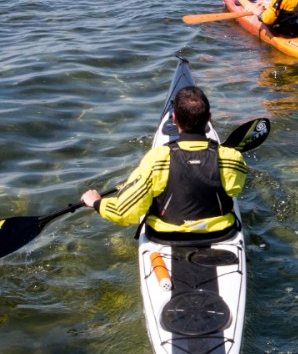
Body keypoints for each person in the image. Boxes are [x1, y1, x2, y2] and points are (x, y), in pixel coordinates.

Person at [81, 85, 247, 244]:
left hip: (166, 238)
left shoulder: (157, 159)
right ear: (209, 118)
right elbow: (235, 189)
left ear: (174, 119)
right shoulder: (230, 158)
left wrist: (97, 203)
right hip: (220, 235)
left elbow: (125, 213)